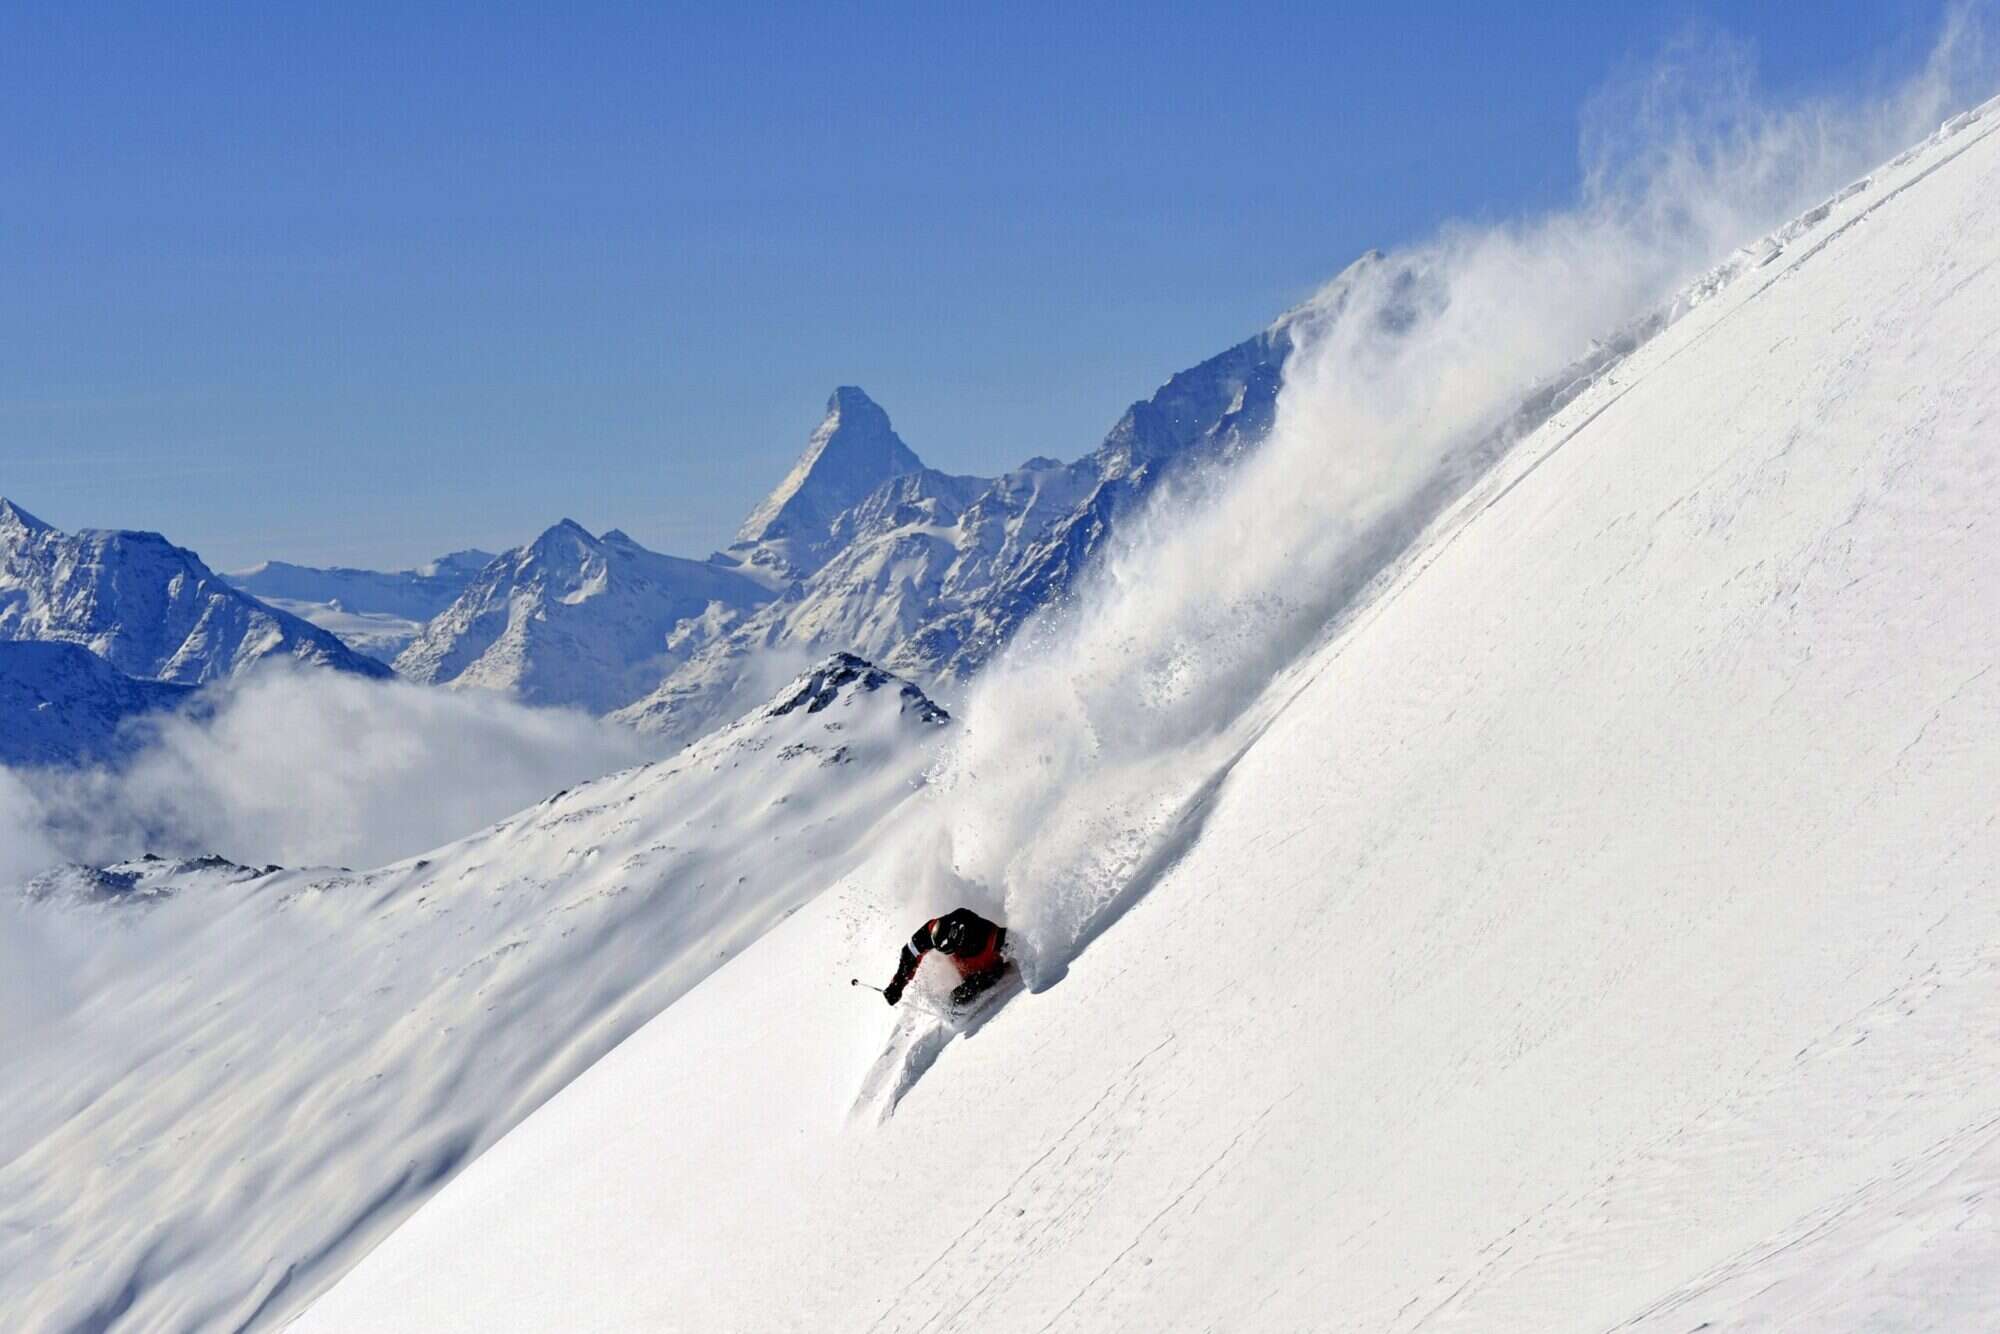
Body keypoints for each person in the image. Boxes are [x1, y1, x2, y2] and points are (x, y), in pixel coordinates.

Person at [883, 907, 1009, 1008]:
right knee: (956, 998)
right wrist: (897, 985)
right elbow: (909, 953)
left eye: (951, 950)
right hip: (969, 969)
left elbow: (1016, 940)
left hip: (989, 967)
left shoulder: (988, 935)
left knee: (965, 993)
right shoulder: (935, 930)